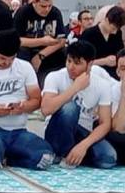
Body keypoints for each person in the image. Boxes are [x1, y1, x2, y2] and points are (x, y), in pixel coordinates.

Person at [0, 30, 54, 172]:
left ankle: (11, 157)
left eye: (11, 59)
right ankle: (1, 155)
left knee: (45, 158)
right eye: (2, 58)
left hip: (19, 131)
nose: (7, 63)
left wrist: (23, 107)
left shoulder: (25, 67)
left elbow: (36, 100)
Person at [40, 40, 117, 169]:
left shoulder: (102, 85)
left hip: (82, 132)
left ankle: (75, 155)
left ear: (90, 64)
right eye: (69, 61)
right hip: (57, 131)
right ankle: (61, 154)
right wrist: (75, 87)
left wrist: (84, 145)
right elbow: (45, 109)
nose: (71, 67)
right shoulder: (55, 77)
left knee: (108, 159)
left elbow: (105, 123)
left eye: (77, 63)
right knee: (70, 108)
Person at [14, 0, 66, 78]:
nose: (47, 9)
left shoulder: (55, 12)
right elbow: (18, 40)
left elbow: (61, 40)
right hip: (27, 50)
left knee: (63, 52)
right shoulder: (23, 12)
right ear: (34, 2)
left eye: (50, 6)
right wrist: (42, 41)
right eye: (43, 6)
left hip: (48, 51)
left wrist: (41, 55)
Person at [79, 4, 125, 78]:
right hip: (94, 75)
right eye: (113, 28)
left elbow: (121, 53)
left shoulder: (117, 33)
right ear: (107, 20)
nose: (114, 32)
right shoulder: (88, 34)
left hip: (114, 75)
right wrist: (104, 61)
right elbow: (80, 61)